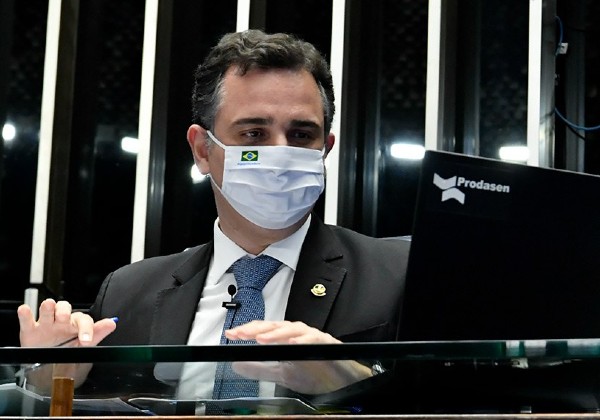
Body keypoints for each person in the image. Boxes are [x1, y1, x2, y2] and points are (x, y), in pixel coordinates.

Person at [17, 29, 410, 401]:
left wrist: (350, 380)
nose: (280, 152)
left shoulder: (396, 275)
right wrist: (43, 379)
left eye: (301, 135)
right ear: (203, 150)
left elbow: (434, 398)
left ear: (326, 149)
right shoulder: (128, 293)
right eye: (254, 134)